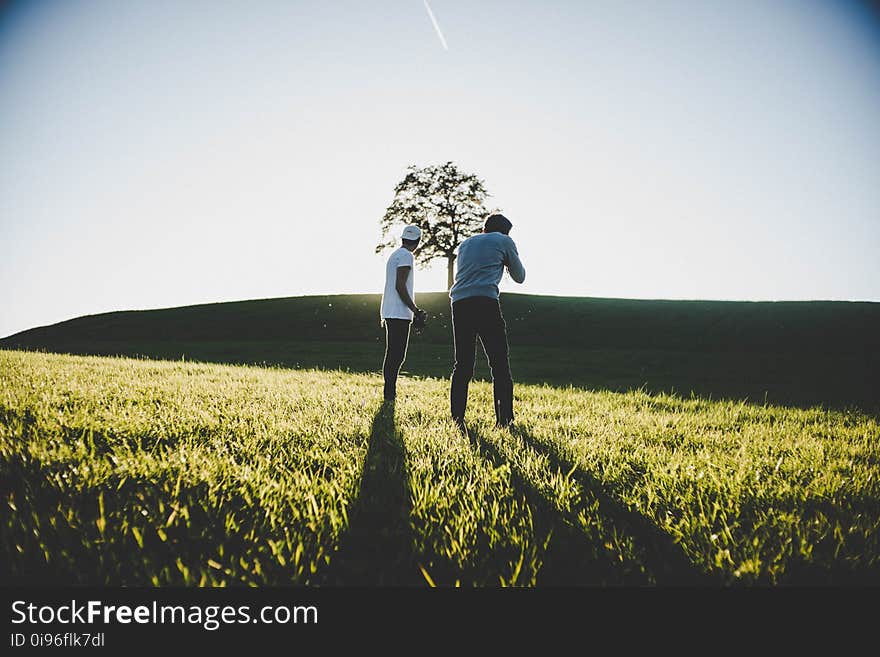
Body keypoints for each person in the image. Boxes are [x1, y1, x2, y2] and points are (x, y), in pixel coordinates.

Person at [449, 213, 526, 430]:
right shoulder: (504, 241)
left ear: (484, 228)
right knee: (499, 364)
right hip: (485, 302)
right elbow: (520, 276)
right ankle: (504, 420)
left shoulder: (464, 244)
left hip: (459, 303)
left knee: (462, 364)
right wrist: (508, 261)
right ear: (505, 231)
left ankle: (457, 419)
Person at [380, 225, 428, 403]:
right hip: (399, 311)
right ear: (417, 241)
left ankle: (389, 393)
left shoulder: (395, 255)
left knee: (393, 352)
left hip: (390, 310)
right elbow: (400, 285)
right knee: (397, 354)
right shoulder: (407, 256)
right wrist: (415, 309)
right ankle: (389, 395)